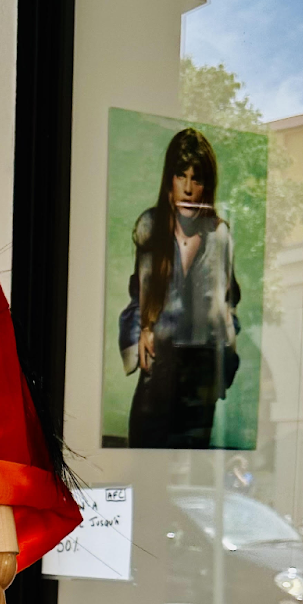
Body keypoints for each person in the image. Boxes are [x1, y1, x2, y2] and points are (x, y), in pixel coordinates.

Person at [119, 127, 241, 449]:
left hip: (199, 385)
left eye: (196, 179)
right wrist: (141, 331)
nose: (188, 188)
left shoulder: (219, 236)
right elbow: (137, 296)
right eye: (180, 176)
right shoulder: (150, 227)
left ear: (207, 185)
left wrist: (224, 363)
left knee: (192, 473)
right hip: (157, 376)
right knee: (144, 464)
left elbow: (229, 306)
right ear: (169, 180)